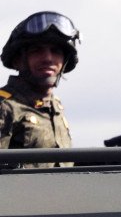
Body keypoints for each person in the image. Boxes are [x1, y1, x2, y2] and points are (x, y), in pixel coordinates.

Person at [0, 11, 79, 167]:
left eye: (55, 51)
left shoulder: (55, 105)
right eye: (36, 51)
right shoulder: (5, 106)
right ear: (18, 60)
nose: (48, 58)